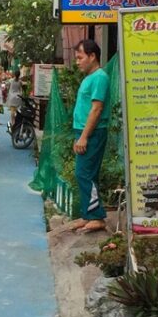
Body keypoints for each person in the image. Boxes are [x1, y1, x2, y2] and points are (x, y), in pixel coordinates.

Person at [67, 40, 110, 233]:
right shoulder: (89, 78)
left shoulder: (100, 77)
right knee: (84, 173)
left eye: (80, 57)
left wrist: (84, 137)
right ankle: (87, 214)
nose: (77, 62)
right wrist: (79, 136)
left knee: (85, 173)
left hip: (92, 133)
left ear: (92, 56)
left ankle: (96, 217)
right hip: (83, 132)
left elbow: (96, 109)